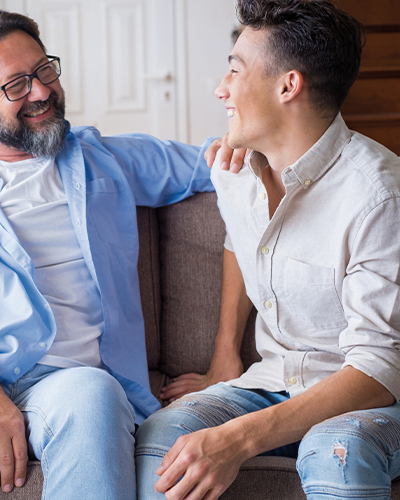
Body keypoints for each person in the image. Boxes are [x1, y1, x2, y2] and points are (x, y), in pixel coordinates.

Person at [0, 7, 240, 499]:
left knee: (95, 395)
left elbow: (219, 162)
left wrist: (261, 136)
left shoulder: (105, 159)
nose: (40, 91)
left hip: (69, 383)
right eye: (15, 85)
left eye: (44, 71)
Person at [135, 1, 400, 499]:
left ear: (288, 86)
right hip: (271, 379)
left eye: (235, 70)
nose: (221, 88)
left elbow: (378, 369)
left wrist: (238, 439)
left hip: (374, 397)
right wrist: (223, 359)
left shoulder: (379, 195)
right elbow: (242, 241)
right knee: (162, 438)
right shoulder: (234, 170)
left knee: (338, 447)